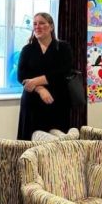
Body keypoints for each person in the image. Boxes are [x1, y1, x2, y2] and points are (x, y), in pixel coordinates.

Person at [17, 12, 72, 140]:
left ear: (51, 27)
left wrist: (36, 80)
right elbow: (21, 76)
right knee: (30, 143)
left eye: (42, 23)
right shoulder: (27, 49)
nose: (37, 26)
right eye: (35, 24)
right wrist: (40, 89)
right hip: (32, 103)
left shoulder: (63, 48)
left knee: (56, 145)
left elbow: (64, 72)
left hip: (57, 102)